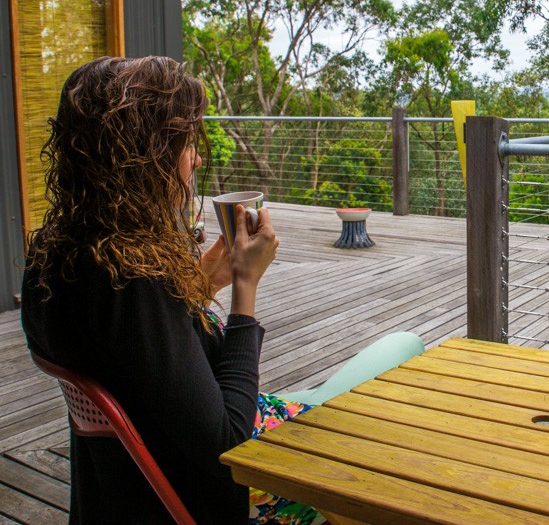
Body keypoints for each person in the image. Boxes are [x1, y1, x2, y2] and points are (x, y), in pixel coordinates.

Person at [20, 57, 423, 524]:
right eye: (184, 143)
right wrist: (245, 289)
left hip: (136, 488)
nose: (193, 158)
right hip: (234, 488)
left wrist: (200, 283)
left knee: (390, 357)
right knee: (399, 365)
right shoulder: (133, 286)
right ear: (143, 157)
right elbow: (231, 441)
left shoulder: (56, 257)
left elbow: (145, 362)